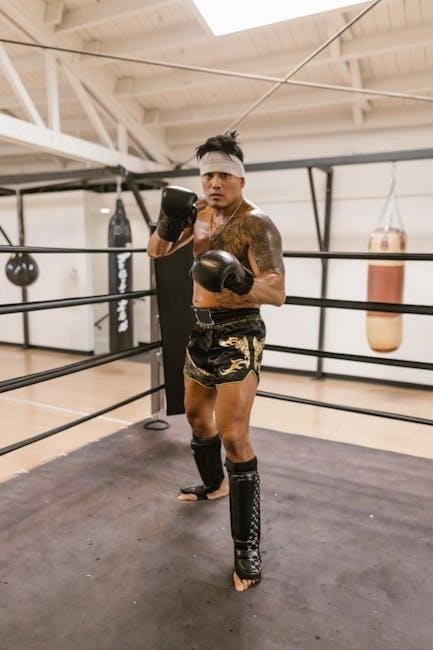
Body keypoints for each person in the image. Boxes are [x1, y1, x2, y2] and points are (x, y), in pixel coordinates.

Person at [147, 131, 285, 592]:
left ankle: (247, 547)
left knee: (233, 434)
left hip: (239, 332)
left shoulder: (256, 224)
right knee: (194, 416)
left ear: (241, 179)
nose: (215, 183)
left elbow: (277, 292)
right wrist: (169, 222)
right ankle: (214, 485)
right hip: (201, 330)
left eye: (225, 175)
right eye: (208, 175)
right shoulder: (199, 213)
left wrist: (239, 280)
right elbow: (156, 252)